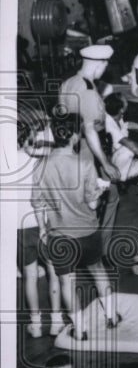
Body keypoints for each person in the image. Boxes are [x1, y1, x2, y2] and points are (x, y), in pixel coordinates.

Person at [31, 112, 118, 339]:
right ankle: (111, 316)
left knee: (67, 282)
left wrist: (42, 228)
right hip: (87, 231)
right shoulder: (85, 164)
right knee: (98, 271)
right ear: (74, 136)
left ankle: (80, 330)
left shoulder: (41, 166)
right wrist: (100, 191)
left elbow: (37, 202)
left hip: (59, 235)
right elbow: (91, 203)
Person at [57, 44, 120, 257]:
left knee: (81, 200)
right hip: (89, 152)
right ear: (100, 64)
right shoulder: (89, 91)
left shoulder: (69, 83)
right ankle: (99, 250)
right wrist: (106, 163)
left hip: (70, 148)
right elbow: (90, 129)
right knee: (109, 197)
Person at [14, 122, 64, 338]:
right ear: (29, 137)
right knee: (54, 274)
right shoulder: (38, 161)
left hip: (19, 227)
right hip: (43, 223)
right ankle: (56, 321)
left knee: (30, 276)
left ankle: (35, 324)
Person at [103, 93, 138, 182]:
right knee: (129, 150)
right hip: (112, 162)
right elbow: (132, 145)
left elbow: (126, 125)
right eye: (126, 102)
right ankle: (119, 178)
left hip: (120, 158)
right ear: (121, 110)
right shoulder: (109, 124)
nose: (127, 102)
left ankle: (130, 174)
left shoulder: (116, 114)